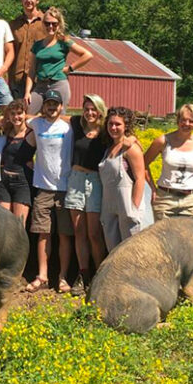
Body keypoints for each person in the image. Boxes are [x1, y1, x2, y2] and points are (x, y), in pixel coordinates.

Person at [21, 90, 74, 293]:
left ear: (62, 107)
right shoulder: (37, 124)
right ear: (43, 107)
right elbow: (17, 118)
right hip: (42, 187)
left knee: (64, 234)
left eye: (56, 104)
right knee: (43, 234)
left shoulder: (69, 127)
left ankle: (62, 277)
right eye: (48, 103)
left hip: (64, 187)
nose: (52, 107)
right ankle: (42, 276)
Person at [63, 94, 109, 297]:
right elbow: (51, 117)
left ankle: (101, 276)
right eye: (86, 108)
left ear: (100, 111)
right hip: (75, 179)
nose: (90, 113)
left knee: (94, 234)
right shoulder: (75, 123)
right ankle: (84, 274)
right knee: (79, 231)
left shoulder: (106, 131)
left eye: (94, 109)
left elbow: (127, 137)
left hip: (96, 182)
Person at [144, 104, 193, 221]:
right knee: (162, 237)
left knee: (190, 237)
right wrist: (152, 189)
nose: (186, 124)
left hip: (191, 200)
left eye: (191, 121)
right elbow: (143, 164)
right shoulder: (163, 141)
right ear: (177, 120)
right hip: (165, 199)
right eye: (183, 120)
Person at [24, 7, 92, 114]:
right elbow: (31, 71)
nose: (50, 26)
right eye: (47, 23)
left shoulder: (63, 42)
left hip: (58, 84)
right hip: (40, 85)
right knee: (28, 113)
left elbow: (87, 55)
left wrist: (70, 68)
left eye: (54, 24)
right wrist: (27, 92)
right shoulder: (37, 45)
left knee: (58, 117)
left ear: (59, 25)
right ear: (43, 24)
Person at [98, 106, 149, 251]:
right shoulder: (108, 148)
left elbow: (140, 178)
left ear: (126, 126)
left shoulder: (131, 148)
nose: (113, 127)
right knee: (113, 251)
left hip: (127, 205)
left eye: (118, 124)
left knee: (131, 251)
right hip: (109, 206)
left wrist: (134, 207)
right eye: (110, 124)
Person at [0, 100, 34, 225]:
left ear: (25, 114)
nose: (16, 117)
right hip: (4, 181)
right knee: (3, 223)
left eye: (19, 113)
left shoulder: (31, 133)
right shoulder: (7, 131)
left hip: (22, 182)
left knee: (19, 225)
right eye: (12, 113)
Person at [8, 0, 46, 101]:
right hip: (17, 80)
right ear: (21, 0)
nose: (28, 0)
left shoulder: (47, 23)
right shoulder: (14, 25)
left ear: (37, 0)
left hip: (39, 79)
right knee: (17, 116)